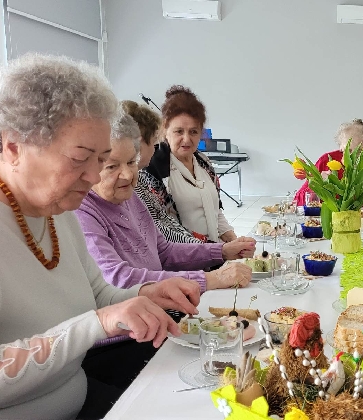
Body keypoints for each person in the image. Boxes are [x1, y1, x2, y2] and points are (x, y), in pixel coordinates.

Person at [0, 54, 199, 420]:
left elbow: (96, 295)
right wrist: (96, 324)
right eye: (80, 158)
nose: (93, 176)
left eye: (101, 159)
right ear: (14, 146)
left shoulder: (56, 209)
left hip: (78, 400)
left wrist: (146, 294)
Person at [75, 111, 254, 292]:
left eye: (131, 162)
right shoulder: (83, 213)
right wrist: (210, 279)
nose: (128, 175)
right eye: (112, 166)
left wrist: (222, 251)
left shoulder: (129, 196)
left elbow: (164, 252)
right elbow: (119, 279)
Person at [144, 86, 237, 243]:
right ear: (165, 130)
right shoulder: (154, 170)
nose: (186, 139)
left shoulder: (203, 162)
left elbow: (215, 211)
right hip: (184, 256)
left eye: (193, 132)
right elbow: (164, 229)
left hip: (214, 252)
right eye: (179, 131)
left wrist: (233, 239)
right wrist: (217, 251)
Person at [122, 100, 204, 244]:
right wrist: (210, 249)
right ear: (138, 143)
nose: (155, 148)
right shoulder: (134, 180)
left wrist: (210, 248)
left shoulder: (139, 180)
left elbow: (165, 221)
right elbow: (160, 232)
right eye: (154, 142)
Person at [293, 118, 363, 207]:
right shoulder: (327, 161)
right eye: (348, 151)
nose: (352, 157)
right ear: (340, 147)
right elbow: (297, 203)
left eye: (360, 151)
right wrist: (317, 184)